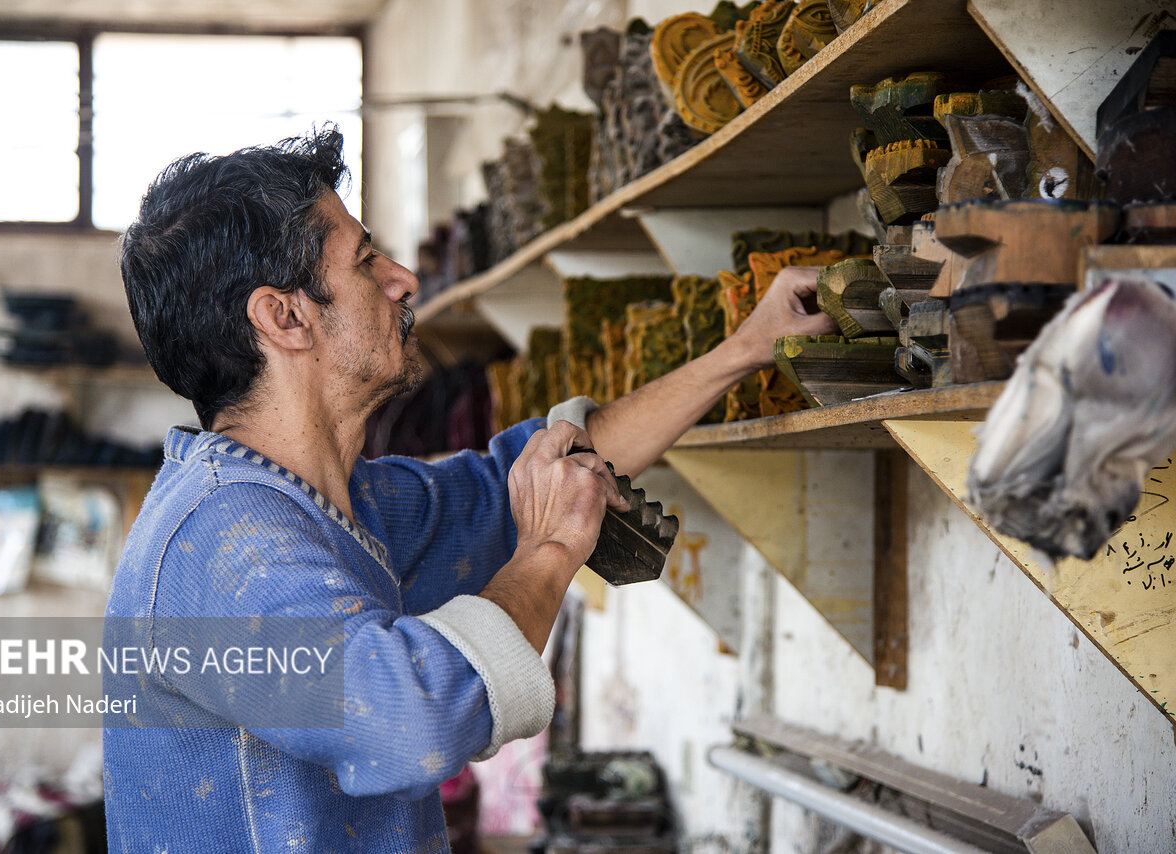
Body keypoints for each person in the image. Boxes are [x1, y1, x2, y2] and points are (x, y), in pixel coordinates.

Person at [104, 125, 836, 853]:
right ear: (285, 317)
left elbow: (515, 483)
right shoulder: (216, 540)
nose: (403, 279)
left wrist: (746, 348)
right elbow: (411, 719)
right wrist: (551, 547)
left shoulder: (338, 505)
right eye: (366, 261)